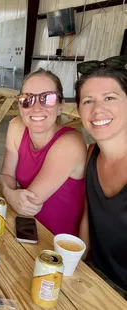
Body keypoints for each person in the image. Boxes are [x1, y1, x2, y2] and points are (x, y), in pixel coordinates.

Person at [0, 68, 86, 235]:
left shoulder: (70, 143)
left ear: (60, 106)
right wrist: (10, 194)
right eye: (27, 99)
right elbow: (6, 176)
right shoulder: (16, 126)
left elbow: (28, 203)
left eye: (48, 99)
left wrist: (9, 193)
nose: (36, 108)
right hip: (23, 228)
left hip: (56, 243)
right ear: (20, 105)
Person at [77, 67, 127, 298]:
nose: (98, 109)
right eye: (88, 101)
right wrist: (80, 262)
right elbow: (89, 214)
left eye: (109, 98)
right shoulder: (90, 154)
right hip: (95, 280)